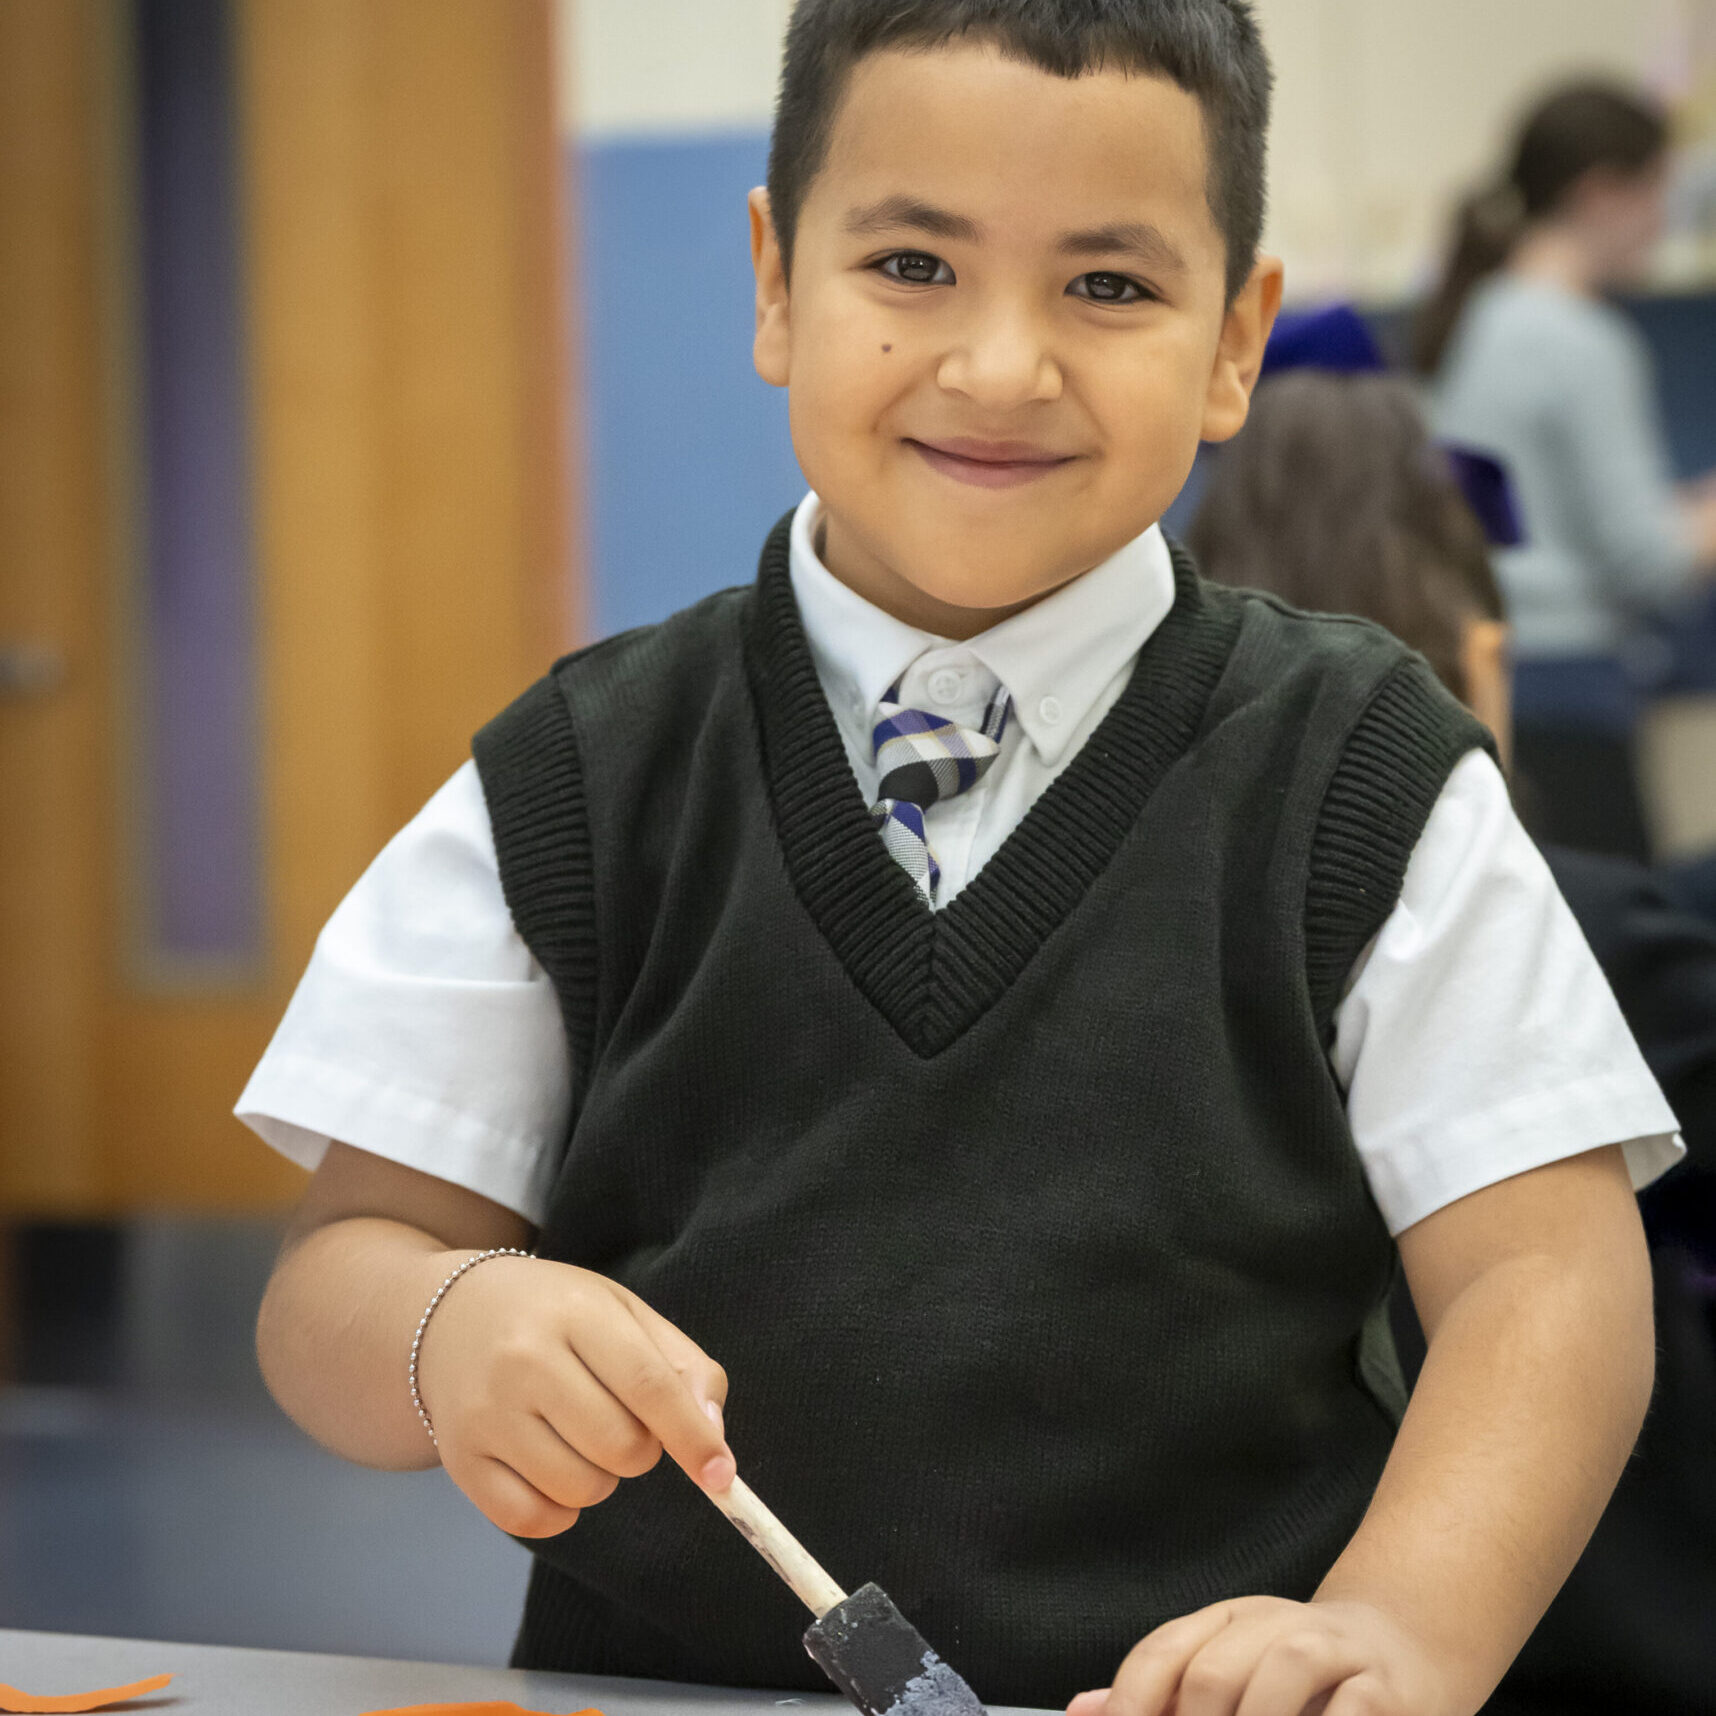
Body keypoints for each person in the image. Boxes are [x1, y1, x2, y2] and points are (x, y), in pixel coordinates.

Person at [239, 7, 1681, 1714]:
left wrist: (1401, 1626)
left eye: (1110, 286)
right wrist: (439, 1329)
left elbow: (1545, 1282)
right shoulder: (576, 774)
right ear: (777, 284)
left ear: (1238, 338)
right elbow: (335, 1283)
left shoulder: (1365, 767)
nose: (1001, 366)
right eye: (913, 263)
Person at [1190, 365, 1716, 1714]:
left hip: (1261, 1634)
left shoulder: (1176, 942)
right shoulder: (1607, 934)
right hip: (1592, 1642)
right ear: (1481, 659)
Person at [1419, 81, 1716, 864]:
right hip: (1573, 693)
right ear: (1602, 193)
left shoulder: (1484, 317)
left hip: (1499, 681)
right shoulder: (1579, 340)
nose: (1665, 220)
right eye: (1660, 191)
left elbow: (1524, 519)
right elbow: (1644, 560)